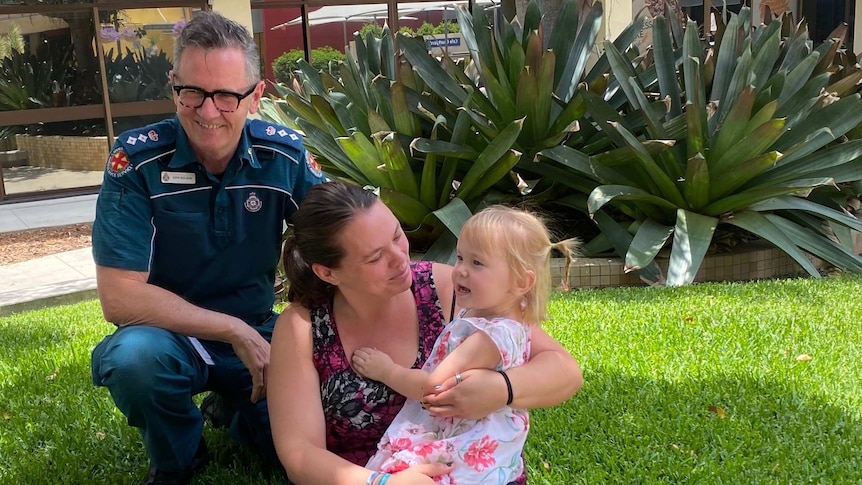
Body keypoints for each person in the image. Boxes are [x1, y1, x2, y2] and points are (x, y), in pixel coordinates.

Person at [89, 11, 325, 485]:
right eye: (192, 91)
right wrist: (233, 330)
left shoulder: (285, 155)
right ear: (174, 85)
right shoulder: (135, 161)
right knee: (134, 362)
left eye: (225, 95)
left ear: (256, 96)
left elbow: (342, 235)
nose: (207, 110)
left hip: (263, 331)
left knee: (293, 456)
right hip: (169, 337)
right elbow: (119, 299)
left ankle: (237, 410)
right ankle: (179, 453)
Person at [269, 181, 584, 485]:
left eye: (397, 236)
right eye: (376, 257)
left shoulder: (451, 289)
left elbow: (565, 371)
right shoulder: (303, 328)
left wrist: (502, 389)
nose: (399, 257)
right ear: (328, 272)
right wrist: (382, 482)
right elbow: (300, 454)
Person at [352, 206, 578, 485]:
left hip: (464, 449)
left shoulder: (488, 336)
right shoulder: (502, 318)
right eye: (460, 257)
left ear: (521, 282)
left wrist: (386, 370)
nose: (460, 271)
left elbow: (432, 388)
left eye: (477, 263)